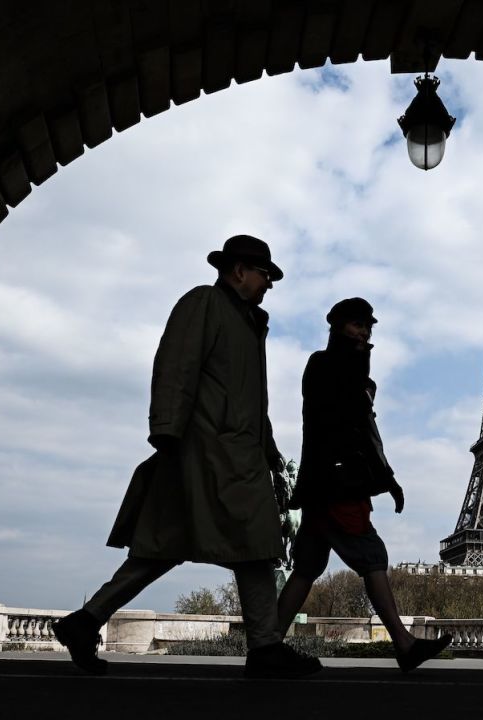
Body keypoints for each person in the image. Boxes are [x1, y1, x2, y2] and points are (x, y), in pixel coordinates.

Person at [52, 235, 320, 679]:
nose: (270, 283)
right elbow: (175, 366)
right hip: (208, 452)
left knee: (175, 546)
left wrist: (269, 451)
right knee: (248, 544)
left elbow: (254, 401)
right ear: (239, 271)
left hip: (233, 453)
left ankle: (86, 621)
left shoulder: (245, 321)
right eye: (265, 274)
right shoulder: (205, 304)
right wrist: (166, 432)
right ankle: (266, 646)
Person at [279, 297, 452, 672]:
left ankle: (266, 643)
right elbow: (355, 429)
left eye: (368, 327)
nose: (364, 332)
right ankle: (403, 643)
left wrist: (386, 478)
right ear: (337, 326)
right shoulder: (331, 366)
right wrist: (385, 478)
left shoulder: (343, 369)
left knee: (307, 567)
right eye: (358, 325)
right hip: (340, 483)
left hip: (324, 483)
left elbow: (358, 429)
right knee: (372, 557)